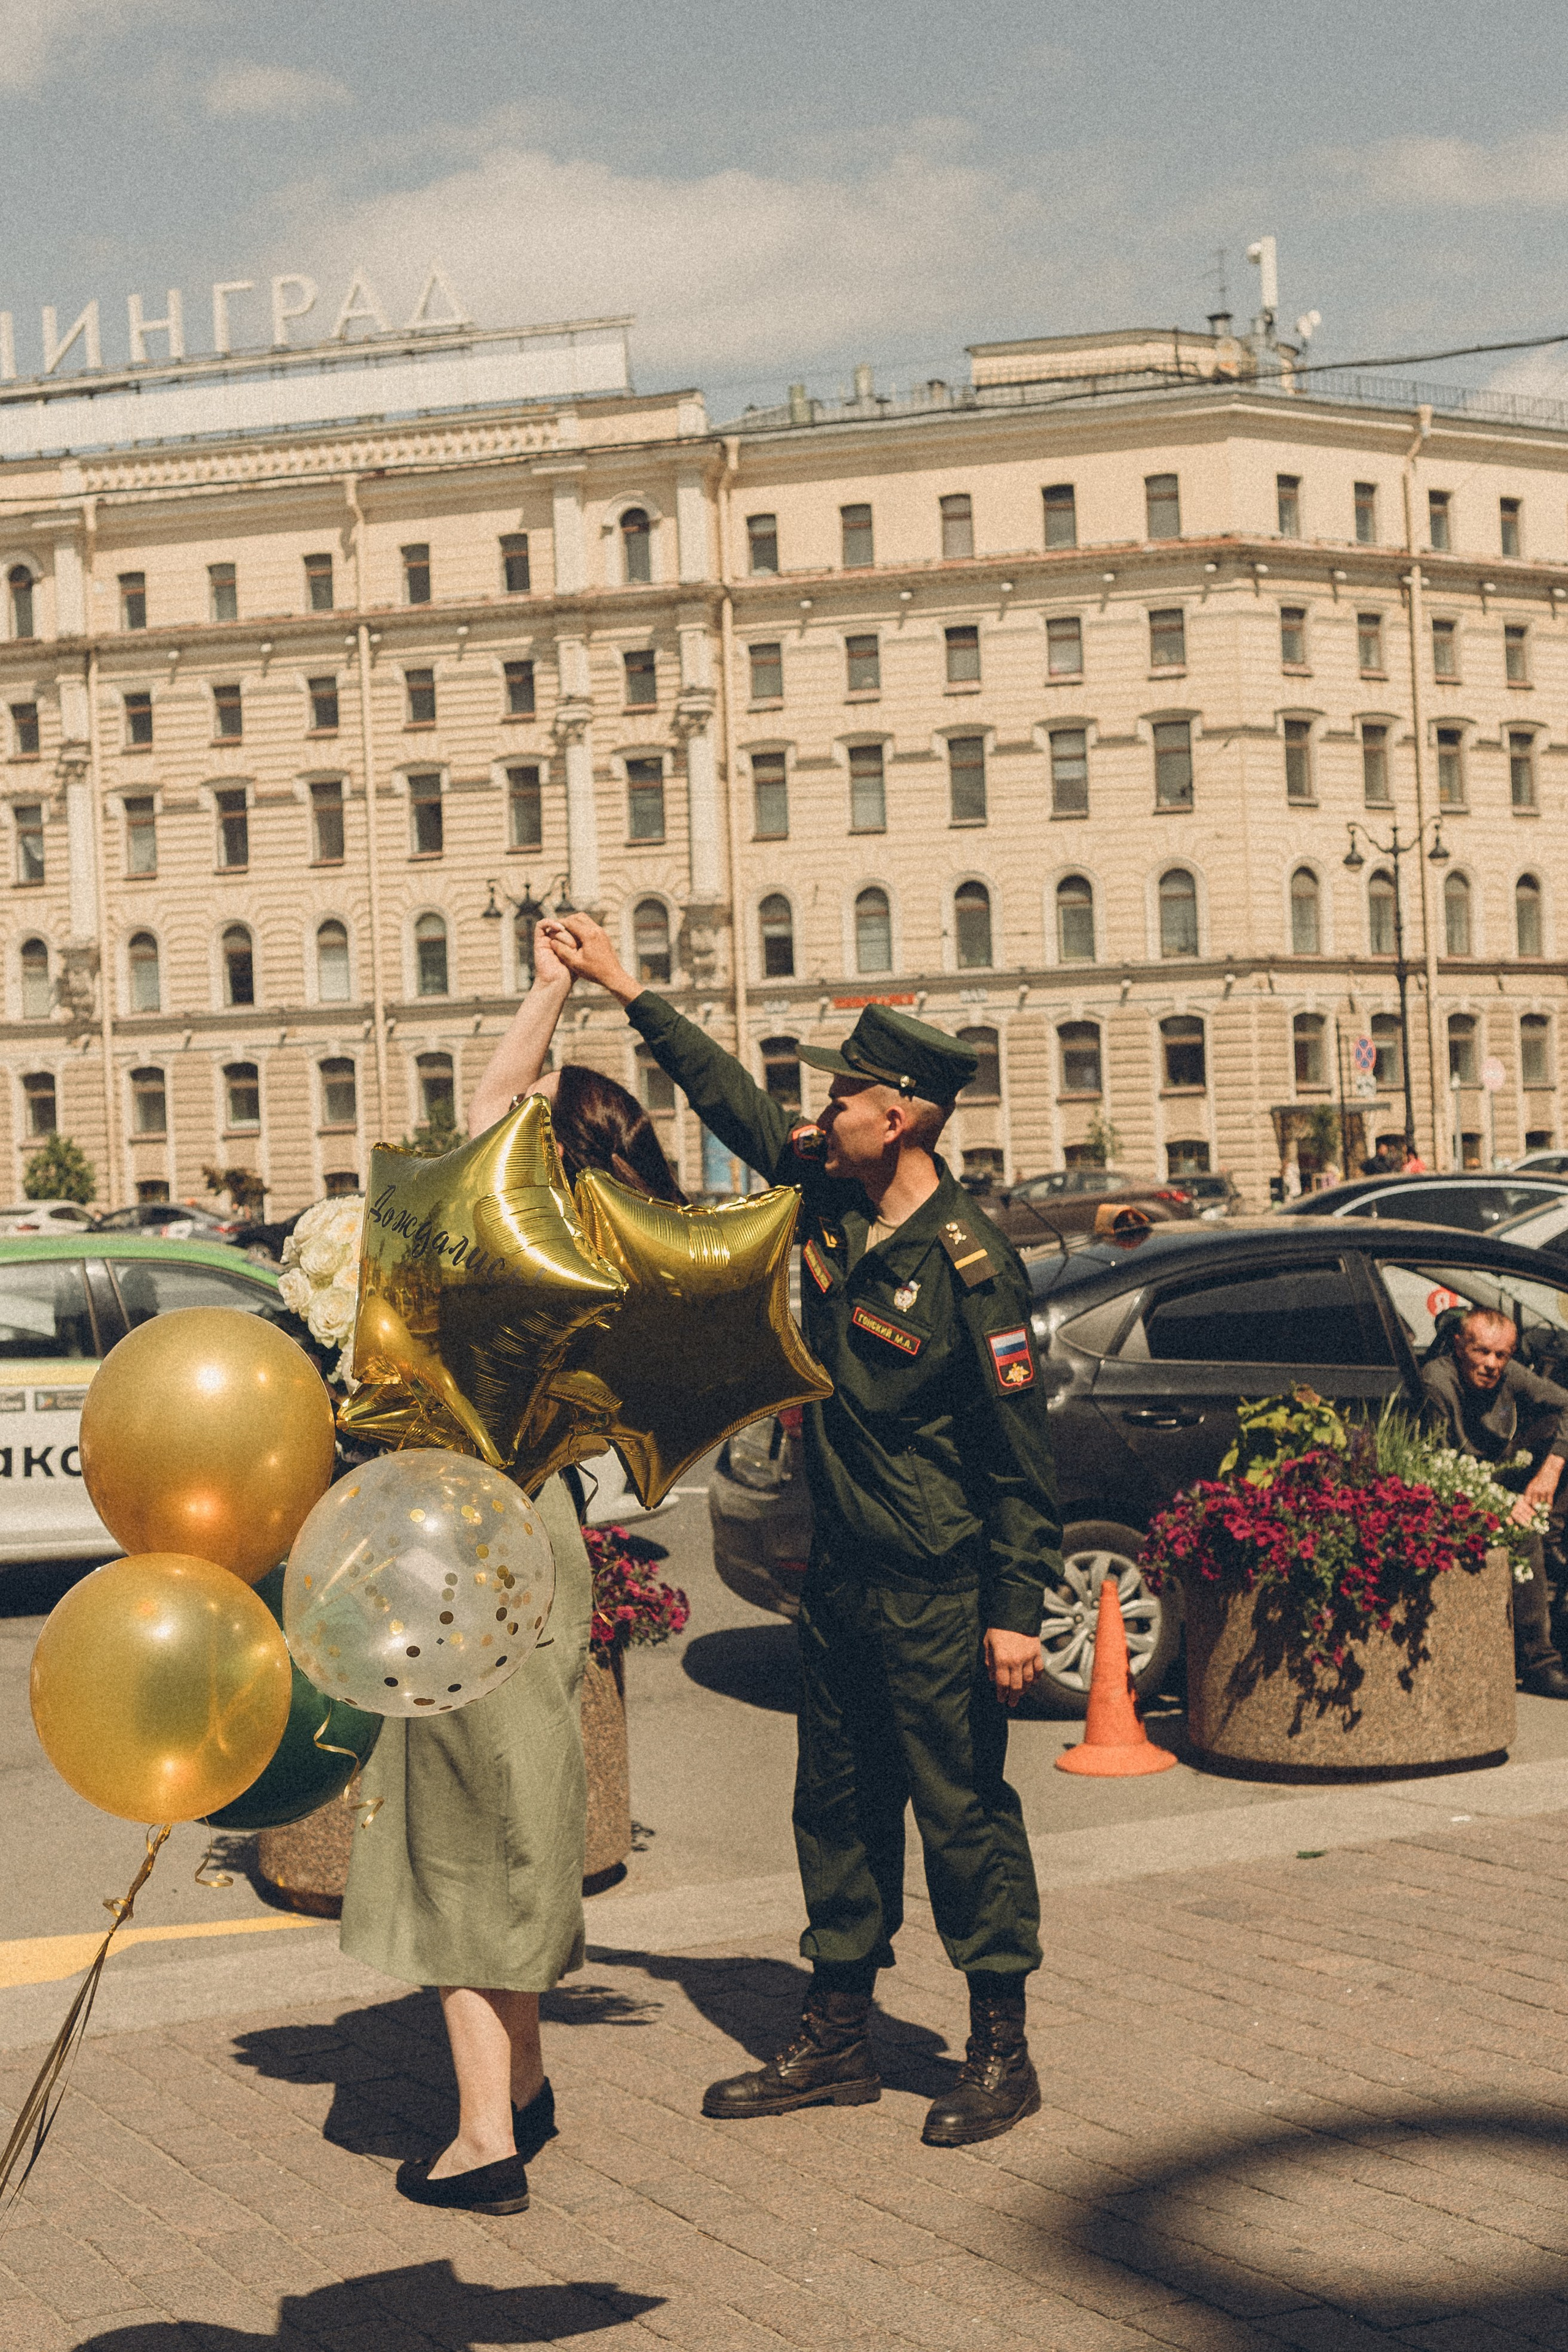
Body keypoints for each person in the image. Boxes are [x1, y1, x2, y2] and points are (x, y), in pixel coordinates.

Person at [547, 911, 1060, 2149]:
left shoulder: (971, 1269)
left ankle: (999, 2045)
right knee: (833, 1806)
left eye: (843, 1100)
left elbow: (1018, 1464)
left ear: (902, 1118)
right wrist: (626, 988)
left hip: (938, 1590)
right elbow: (728, 1101)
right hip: (837, 1577)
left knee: (959, 1814)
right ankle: (836, 2034)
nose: (820, 1115)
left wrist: (1013, 1608)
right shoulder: (829, 1200)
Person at [341, 924, 686, 2214]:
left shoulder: (516, 1252)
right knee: (511, 1819)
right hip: (538, 1541)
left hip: (473, 1540)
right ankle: (522, 2087)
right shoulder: (619, 1262)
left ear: (548, 1154)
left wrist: (549, 991)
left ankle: (483, 2142)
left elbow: (487, 1104)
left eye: (530, 1121)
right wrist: (558, 994)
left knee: (460, 1837)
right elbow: (499, 1105)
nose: (503, 1121)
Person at [1420, 1305, 1568, 1700]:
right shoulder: (1438, 1383)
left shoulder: (1508, 1374)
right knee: (1522, 1532)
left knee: (1560, 1457)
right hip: (1454, 1487)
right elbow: (1439, 1471)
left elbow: (1566, 1404)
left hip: (1499, 1469)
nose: (1491, 1364)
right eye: (1480, 1351)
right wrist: (1503, 1504)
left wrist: (1549, 1472)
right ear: (1457, 1346)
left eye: (1501, 1355)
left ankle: (1556, 1562)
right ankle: (1538, 1660)